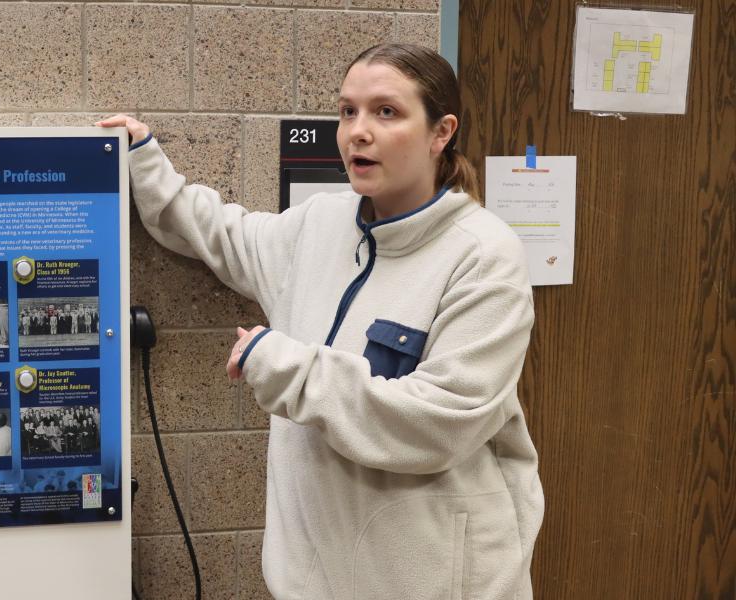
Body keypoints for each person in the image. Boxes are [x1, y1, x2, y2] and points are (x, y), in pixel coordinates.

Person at [98, 43, 543, 600]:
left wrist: (292, 370)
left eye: (386, 112)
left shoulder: (483, 256)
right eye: (347, 111)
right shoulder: (319, 225)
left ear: (441, 132)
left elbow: (441, 422)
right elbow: (220, 234)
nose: (358, 130)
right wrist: (144, 159)